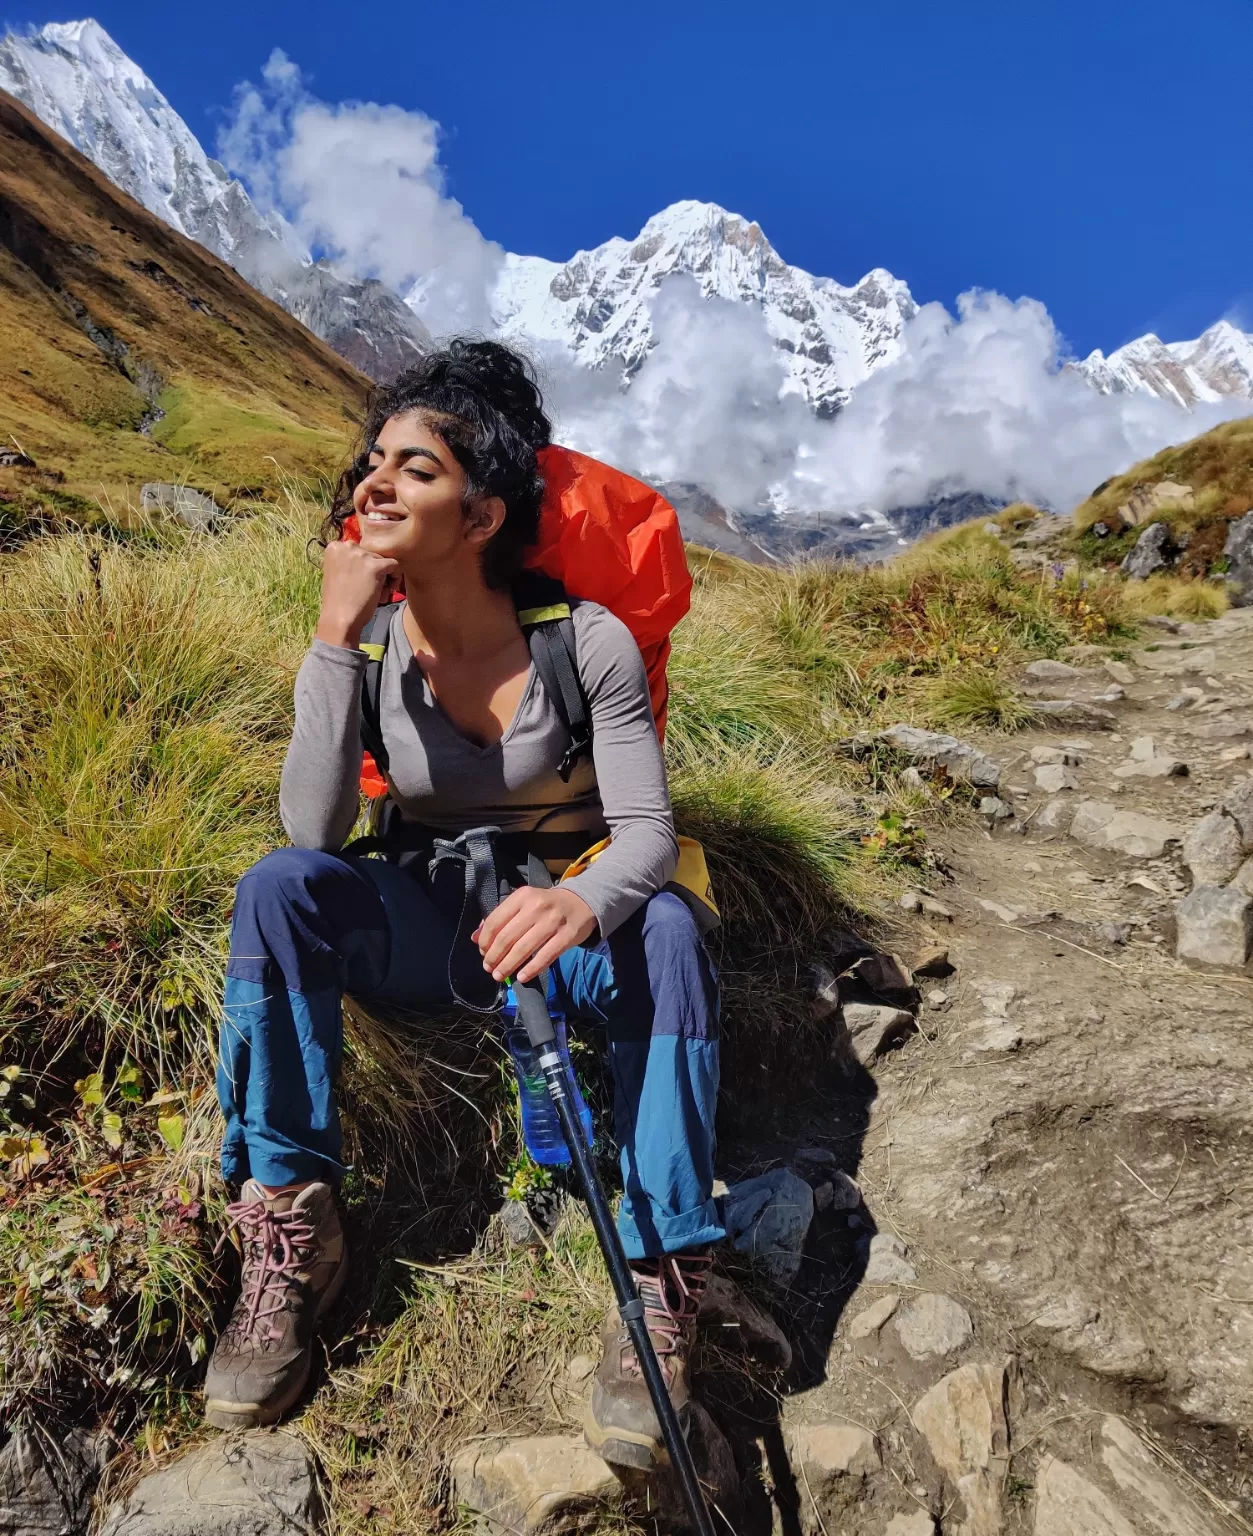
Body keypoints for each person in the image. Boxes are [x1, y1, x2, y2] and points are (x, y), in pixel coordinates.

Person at [205, 339, 723, 1471]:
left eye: (416, 470)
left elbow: (643, 833)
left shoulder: (581, 643)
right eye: (371, 465)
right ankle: (294, 1221)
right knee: (277, 891)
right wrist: (332, 640)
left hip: (563, 918)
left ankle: (658, 1266)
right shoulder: (373, 644)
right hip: (432, 911)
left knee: (671, 927)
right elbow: (310, 831)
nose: (374, 485)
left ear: (482, 516)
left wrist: (581, 904)